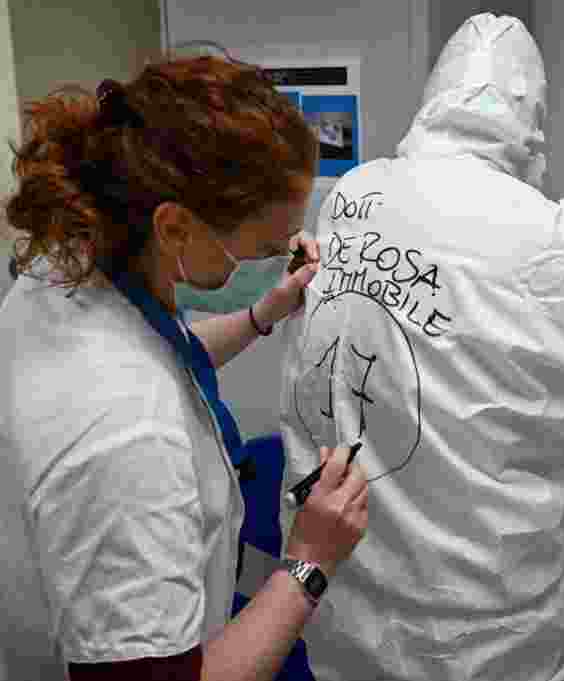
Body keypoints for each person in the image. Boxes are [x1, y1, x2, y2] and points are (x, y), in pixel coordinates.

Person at [279, 13, 564, 681]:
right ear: (532, 120)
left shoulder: (356, 194)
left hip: (344, 618)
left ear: (435, 98)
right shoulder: (550, 239)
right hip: (482, 645)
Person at [0, 56, 369, 681]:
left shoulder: (70, 263)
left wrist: (262, 311)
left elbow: (156, 348)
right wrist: (310, 560)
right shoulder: (127, 434)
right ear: (173, 224)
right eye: (264, 247)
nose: (281, 255)